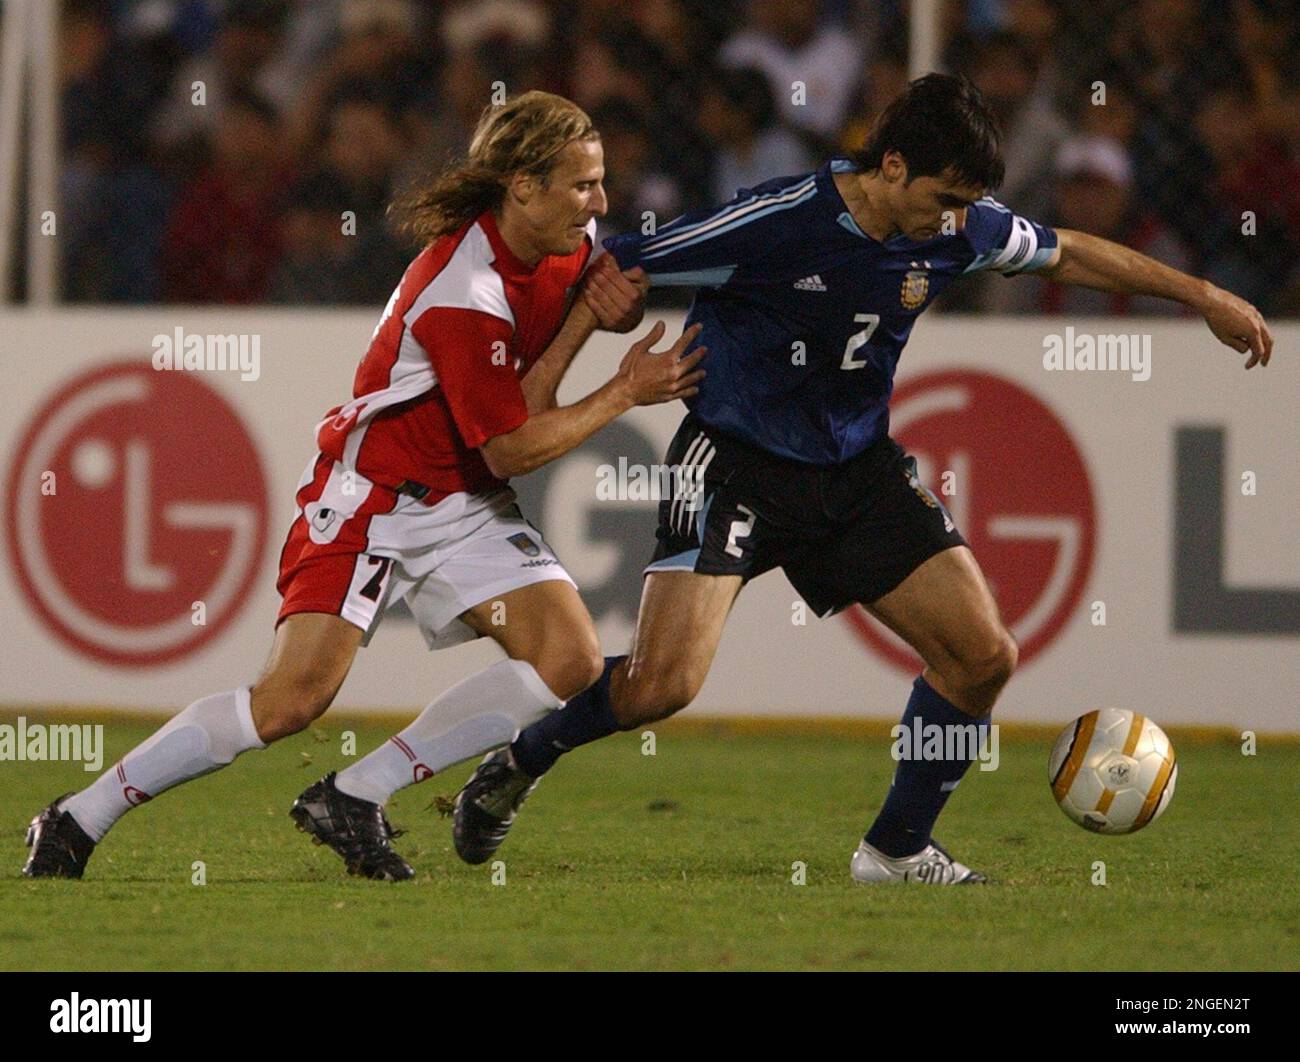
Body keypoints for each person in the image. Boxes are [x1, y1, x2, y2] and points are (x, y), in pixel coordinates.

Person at [454, 74, 1272, 885]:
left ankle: (896, 850)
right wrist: (556, 373)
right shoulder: (776, 221)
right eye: (945, 197)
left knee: (982, 655)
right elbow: (610, 269)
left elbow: (1069, 250)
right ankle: (523, 758)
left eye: (967, 203)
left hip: (855, 470)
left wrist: (1199, 296)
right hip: (733, 466)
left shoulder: (957, 226)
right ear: (890, 167)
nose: (957, 220)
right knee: (661, 688)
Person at [23, 91, 704, 881]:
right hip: (375, 498)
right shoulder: (463, 290)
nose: (601, 203)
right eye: (584, 184)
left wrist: (601, 314)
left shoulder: (569, 241)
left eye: (600, 181)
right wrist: (622, 392)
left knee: (569, 659)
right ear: (523, 185)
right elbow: (516, 445)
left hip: (466, 501)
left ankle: (355, 792)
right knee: (287, 703)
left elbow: (538, 381)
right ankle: (78, 816)